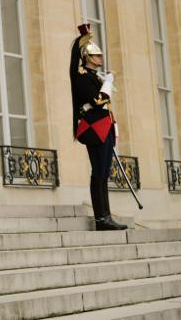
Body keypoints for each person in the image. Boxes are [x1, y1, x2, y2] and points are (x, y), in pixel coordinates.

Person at [70, 23, 126, 230]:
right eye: (97, 56)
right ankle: (101, 218)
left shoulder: (94, 76)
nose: (101, 59)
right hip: (95, 128)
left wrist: (104, 81)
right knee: (99, 172)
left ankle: (106, 215)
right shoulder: (83, 76)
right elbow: (97, 101)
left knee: (104, 172)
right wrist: (107, 84)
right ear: (87, 57)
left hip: (104, 126)